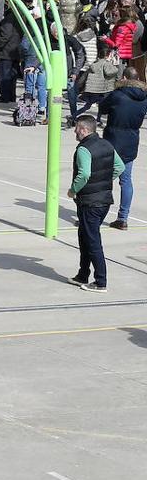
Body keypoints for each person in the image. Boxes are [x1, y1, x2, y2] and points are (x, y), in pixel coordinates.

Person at [68, 116, 125, 293]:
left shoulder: (84, 149)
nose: (75, 131)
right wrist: (103, 181)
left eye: (77, 128)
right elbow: (120, 167)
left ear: (84, 130)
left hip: (90, 202)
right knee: (85, 236)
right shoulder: (107, 145)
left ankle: (100, 281)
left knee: (92, 241)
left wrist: (73, 190)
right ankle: (82, 274)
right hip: (104, 200)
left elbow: (84, 174)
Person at [100, 72, 147, 230]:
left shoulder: (118, 95)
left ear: (125, 78)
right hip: (131, 141)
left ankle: (97, 216)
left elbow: (103, 107)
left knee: (103, 180)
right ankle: (123, 218)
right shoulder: (143, 97)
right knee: (126, 180)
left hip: (113, 140)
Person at [74, 41, 123, 123]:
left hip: (92, 90)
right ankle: (101, 120)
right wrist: (116, 65)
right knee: (104, 105)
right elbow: (110, 72)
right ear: (107, 55)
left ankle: (74, 115)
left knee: (87, 106)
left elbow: (85, 76)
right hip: (101, 90)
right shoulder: (106, 63)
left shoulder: (95, 63)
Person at [0, 3, 24, 103]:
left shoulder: (9, 18)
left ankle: (5, 96)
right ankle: (11, 95)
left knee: (4, 75)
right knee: (12, 75)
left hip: (7, 51)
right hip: (16, 50)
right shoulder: (21, 18)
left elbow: (5, 35)